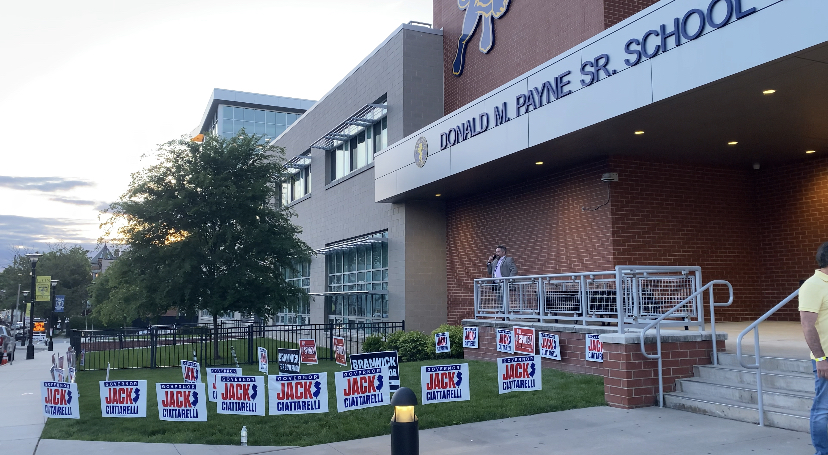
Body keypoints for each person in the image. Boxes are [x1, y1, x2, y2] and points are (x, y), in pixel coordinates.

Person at [800, 241, 828, 455]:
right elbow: (807, 325)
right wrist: (820, 359)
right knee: (824, 410)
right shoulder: (813, 284)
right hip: (826, 358)